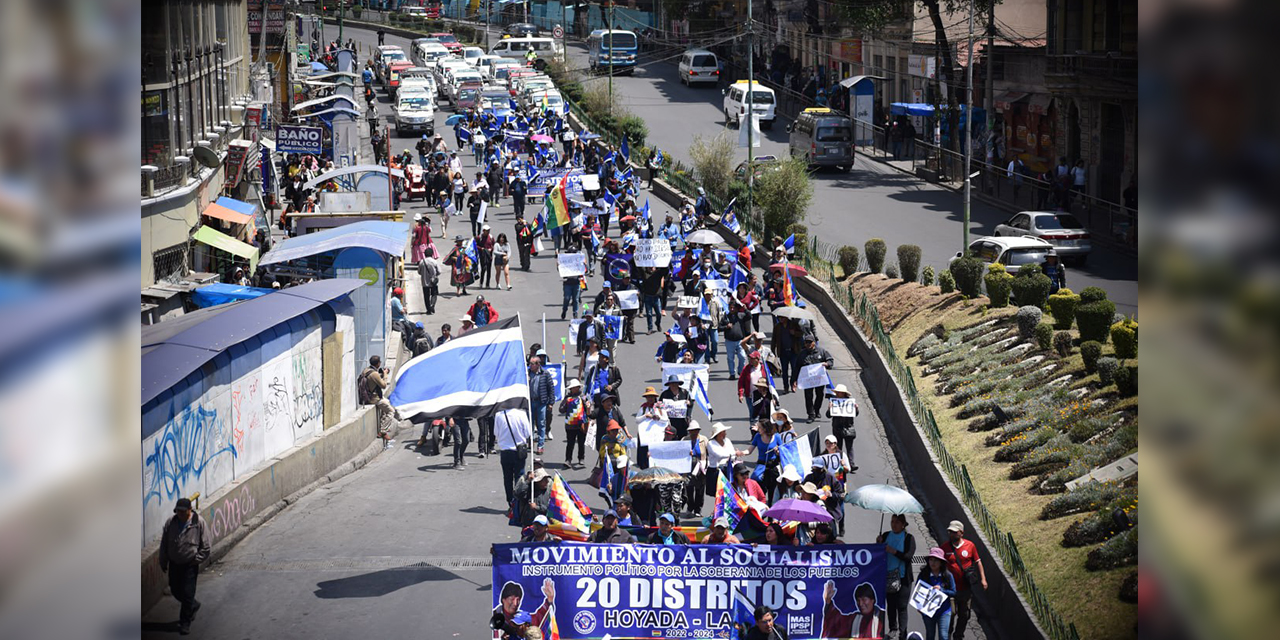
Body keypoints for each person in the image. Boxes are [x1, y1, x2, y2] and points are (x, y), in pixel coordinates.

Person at [159, 497, 211, 636]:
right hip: (175, 564)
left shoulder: (198, 522)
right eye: (178, 512)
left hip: (189, 565)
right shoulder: (171, 522)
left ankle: (185, 622)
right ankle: (193, 605)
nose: (180, 514)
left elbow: (206, 546)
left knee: (188, 593)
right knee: (175, 590)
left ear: (189, 510)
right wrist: (163, 561)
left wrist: (196, 560)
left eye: (183, 512)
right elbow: (164, 544)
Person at [942, 520, 986, 640]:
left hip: (965, 589)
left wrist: (983, 579)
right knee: (950, 614)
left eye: (954, 532)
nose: (951, 534)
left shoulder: (970, 546)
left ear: (961, 533)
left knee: (964, 614)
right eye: (950, 532)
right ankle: (947, 634)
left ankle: (958, 636)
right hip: (950, 589)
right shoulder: (945, 547)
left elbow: (978, 562)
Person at [878, 514, 917, 640]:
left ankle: (903, 632)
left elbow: (908, 556)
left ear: (903, 524)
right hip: (888, 576)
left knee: (902, 605)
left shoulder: (908, 538)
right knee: (891, 604)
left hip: (903, 577)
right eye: (892, 521)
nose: (894, 524)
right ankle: (892, 628)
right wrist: (878, 543)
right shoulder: (886, 535)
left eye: (897, 522)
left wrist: (893, 551)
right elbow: (878, 553)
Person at [821, 581, 885, 639]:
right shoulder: (853, 618)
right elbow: (836, 620)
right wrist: (828, 601)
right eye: (858, 600)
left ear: (872, 600)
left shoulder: (882, 617)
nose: (860, 604)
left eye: (864, 599)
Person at [359, 356, 398, 450]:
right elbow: (384, 385)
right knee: (391, 411)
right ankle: (383, 431)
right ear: (378, 363)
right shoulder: (374, 374)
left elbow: (373, 381)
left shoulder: (366, 370)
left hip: (368, 397)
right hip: (374, 399)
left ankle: (384, 425)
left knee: (387, 403)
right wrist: (385, 375)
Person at [919, 548, 958, 640]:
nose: (933, 563)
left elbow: (954, 592)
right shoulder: (924, 574)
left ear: (941, 562)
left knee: (944, 636)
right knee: (930, 636)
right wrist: (919, 606)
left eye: (936, 560)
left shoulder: (948, 575)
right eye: (931, 560)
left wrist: (942, 590)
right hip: (928, 612)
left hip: (944, 611)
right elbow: (918, 591)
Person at [495, 409, 532, 504]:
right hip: (518, 450)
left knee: (507, 478)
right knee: (519, 477)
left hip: (505, 451)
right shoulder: (522, 414)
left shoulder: (499, 415)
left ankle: (510, 501)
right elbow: (528, 433)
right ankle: (518, 501)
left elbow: (496, 433)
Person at [793, 335, 834, 422]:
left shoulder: (822, 351)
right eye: (806, 342)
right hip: (807, 380)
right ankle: (811, 415)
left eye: (809, 342)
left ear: (814, 343)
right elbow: (797, 367)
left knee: (819, 395)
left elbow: (830, 360)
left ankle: (816, 410)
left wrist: (827, 364)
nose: (807, 344)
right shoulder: (802, 354)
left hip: (819, 379)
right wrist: (794, 380)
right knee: (808, 396)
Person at [825, 384, 858, 471]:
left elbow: (856, 414)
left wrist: (856, 408)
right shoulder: (834, 402)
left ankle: (851, 464)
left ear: (844, 394)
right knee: (838, 447)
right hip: (837, 428)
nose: (839, 394)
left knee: (849, 447)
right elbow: (828, 415)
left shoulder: (850, 402)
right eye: (837, 392)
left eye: (840, 393)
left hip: (848, 427)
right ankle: (839, 462)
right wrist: (829, 409)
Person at [559, 379, 590, 469]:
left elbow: (588, 410)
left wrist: (588, 407)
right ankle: (568, 460)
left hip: (581, 424)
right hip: (570, 425)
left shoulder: (583, 397)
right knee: (570, 443)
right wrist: (566, 403)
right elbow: (561, 409)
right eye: (572, 388)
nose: (574, 389)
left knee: (581, 442)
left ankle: (581, 458)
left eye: (575, 387)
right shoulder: (567, 398)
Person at [528, 355, 555, 455]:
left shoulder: (545, 374)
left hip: (541, 402)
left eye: (532, 364)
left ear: (538, 364)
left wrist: (551, 403)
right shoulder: (528, 373)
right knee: (530, 423)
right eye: (530, 363)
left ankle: (540, 445)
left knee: (541, 424)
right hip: (530, 401)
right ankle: (530, 442)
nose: (530, 365)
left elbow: (551, 389)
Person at [683, 421, 710, 517]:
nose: (694, 433)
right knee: (689, 489)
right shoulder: (684, 440)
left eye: (696, 431)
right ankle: (690, 507)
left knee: (700, 490)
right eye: (692, 431)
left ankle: (698, 509)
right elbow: (680, 453)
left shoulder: (704, 439)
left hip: (700, 468)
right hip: (689, 468)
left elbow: (709, 452)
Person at [658, 374, 693, 440]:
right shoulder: (665, 394)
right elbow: (659, 405)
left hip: (682, 421)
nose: (674, 385)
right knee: (671, 438)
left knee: (683, 437)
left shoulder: (684, 392)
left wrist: (689, 403)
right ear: (669, 384)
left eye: (675, 383)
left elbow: (691, 404)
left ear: (678, 384)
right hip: (670, 421)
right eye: (672, 383)